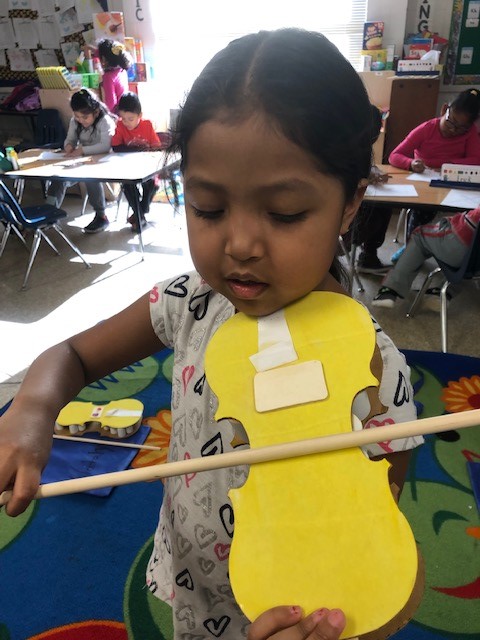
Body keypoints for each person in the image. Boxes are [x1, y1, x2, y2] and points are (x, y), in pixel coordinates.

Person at [0, 29, 423, 639]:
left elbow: (378, 555)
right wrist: (33, 407)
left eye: (284, 214)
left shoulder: (376, 374)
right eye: (208, 207)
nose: (240, 245)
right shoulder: (192, 302)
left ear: (351, 203)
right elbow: (71, 353)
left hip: (288, 614)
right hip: (191, 576)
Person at [388, 88, 480, 260]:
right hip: (425, 182)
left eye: (461, 128)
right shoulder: (427, 129)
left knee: (470, 214)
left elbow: (476, 159)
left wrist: (449, 166)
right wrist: (411, 163)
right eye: (451, 122)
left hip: (453, 182)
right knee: (422, 211)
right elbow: (395, 155)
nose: (454, 130)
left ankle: (458, 251)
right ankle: (411, 249)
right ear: (444, 110)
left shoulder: (470, 133)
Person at [372, 205, 480, 308]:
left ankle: (390, 290)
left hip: (461, 246)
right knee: (471, 258)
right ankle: (444, 292)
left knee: (420, 235)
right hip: (475, 263)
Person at [45, 88, 116, 234]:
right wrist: (69, 146)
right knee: (59, 179)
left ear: (95, 112)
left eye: (85, 117)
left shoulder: (105, 121)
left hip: (103, 161)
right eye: (77, 116)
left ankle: (101, 215)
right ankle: (48, 213)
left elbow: (106, 146)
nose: (80, 120)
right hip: (81, 161)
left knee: (90, 177)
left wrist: (82, 150)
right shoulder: (75, 122)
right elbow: (70, 139)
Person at [342, 105, 393, 274]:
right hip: (337, 223)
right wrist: (362, 181)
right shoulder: (337, 149)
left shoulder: (356, 146)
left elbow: (366, 167)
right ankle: (362, 253)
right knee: (376, 213)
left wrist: (373, 173)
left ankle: (368, 256)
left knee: (383, 208)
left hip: (346, 213)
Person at [111, 91, 162, 231]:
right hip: (129, 168)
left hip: (148, 167)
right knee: (127, 185)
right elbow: (115, 147)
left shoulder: (147, 125)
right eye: (123, 118)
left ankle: (140, 213)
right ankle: (140, 215)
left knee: (152, 183)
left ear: (140, 115)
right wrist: (138, 150)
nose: (126, 122)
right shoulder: (120, 125)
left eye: (130, 118)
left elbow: (157, 148)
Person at [97, 38, 133, 113]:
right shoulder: (122, 71)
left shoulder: (108, 77)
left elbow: (111, 103)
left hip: (116, 114)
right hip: (126, 110)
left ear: (103, 59)